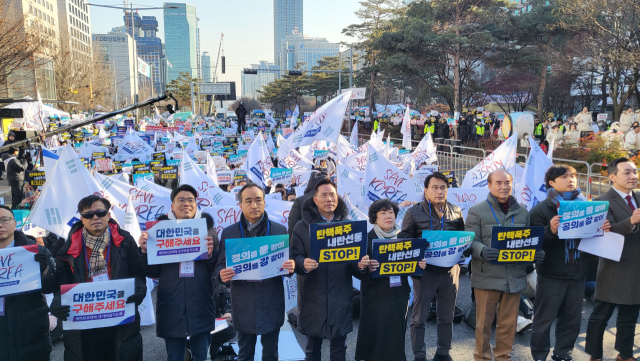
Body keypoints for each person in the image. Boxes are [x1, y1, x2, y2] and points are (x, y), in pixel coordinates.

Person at [49, 195, 146, 361]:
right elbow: (60, 284)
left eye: (100, 212)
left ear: (108, 215)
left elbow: (137, 274)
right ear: (81, 219)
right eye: (88, 214)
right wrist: (57, 304)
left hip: (120, 321)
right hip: (83, 326)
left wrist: (139, 290)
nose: (95, 217)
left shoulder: (126, 242)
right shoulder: (67, 248)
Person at [529, 165, 610, 361]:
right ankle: (539, 355)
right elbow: (533, 243)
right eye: (564, 177)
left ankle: (562, 353)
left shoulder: (588, 206)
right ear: (551, 182)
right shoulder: (541, 209)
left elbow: (594, 239)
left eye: (573, 176)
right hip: (551, 274)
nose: (571, 180)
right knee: (544, 319)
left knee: (572, 320)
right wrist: (551, 232)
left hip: (579, 272)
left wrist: (603, 228)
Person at [466, 170, 544, 361]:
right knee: (483, 324)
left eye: (507, 182)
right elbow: (470, 239)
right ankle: (482, 358)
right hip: (487, 275)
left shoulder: (523, 212)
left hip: (514, 277)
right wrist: (482, 250)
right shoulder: (476, 210)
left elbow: (528, 241)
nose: (504, 187)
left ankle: (503, 357)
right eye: (499, 183)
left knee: (508, 325)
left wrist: (536, 253)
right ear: (490, 185)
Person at [290, 179, 370, 361]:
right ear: (314, 200)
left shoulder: (349, 227)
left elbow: (355, 260)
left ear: (338, 198)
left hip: (340, 294)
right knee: (312, 349)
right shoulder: (301, 227)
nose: (329, 199)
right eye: (323, 195)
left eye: (332, 195)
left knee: (339, 348)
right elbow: (295, 255)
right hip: (313, 295)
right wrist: (303, 263)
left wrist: (359, 264)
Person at [138, 185, 218, 361]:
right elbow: (152, 271)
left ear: (196, 205)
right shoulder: (158, 232)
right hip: (171, 305)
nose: (186, 204)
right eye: (181, 200)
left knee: (201, 356)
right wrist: (144, 252)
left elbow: (216, 268)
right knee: (174, 357)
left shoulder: (208, 231)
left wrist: (211, 255)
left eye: (191, 200)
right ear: (172, 206)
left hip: (200, 303)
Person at [216, 183, 294, 361]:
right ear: (240, 205)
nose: (254, 205)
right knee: (245, 354)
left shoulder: (278, 230)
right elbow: (219, 265)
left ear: (265, 203)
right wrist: (222, 274)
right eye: (248, 201)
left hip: (271, 300)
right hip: (243, 302)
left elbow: (287, 265)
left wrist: (290, 267)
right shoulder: (229, 233)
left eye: (258, 200)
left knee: (271, 354)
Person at [400, 172, 465, 361]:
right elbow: (404, 238)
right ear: (426, 190)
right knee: (419, 317)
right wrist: (419, 247)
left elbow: (462, 237)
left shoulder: (456, 210)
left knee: (447, 316)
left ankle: (443, 352)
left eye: (443, 187)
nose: (439, 191)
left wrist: (464, 249)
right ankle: (419, 355)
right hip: (425, 272)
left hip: (450, 271)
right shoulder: (413, 212)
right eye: (435, 187)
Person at [586, 157, 640, 361]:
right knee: (600, 316)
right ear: (612, 177)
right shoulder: (601, 201)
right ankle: (595, 355)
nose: (633, 176)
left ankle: (625, 354)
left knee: (630, 316)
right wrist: (631, 221)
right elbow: (605, 232)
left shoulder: (639, 197)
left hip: (637, 267)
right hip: (613, 268)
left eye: (634, 171)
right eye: (627, 172)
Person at [355, 199, 412, 361]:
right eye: (383, 212)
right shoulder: (366, 239)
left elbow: (413, 269)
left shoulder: (404, 238)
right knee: (376, 339)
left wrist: (419, 265)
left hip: (399, 295)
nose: (388, 216)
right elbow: (356, 270)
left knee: (396, 336)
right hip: (375, 296)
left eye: (391, 212)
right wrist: (364, 267)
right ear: (374, 218)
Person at [0, 205, 56, 361]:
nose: (0, 225)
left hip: (30, 333)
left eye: (5, 220)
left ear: (15, 223)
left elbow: (52, 286)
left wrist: (44, 269)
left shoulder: (36, 251)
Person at [287, 172, 330, 240]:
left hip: (306, 243)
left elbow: (293, 224)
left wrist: (292, 244)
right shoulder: (334, 200)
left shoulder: (300, 200)